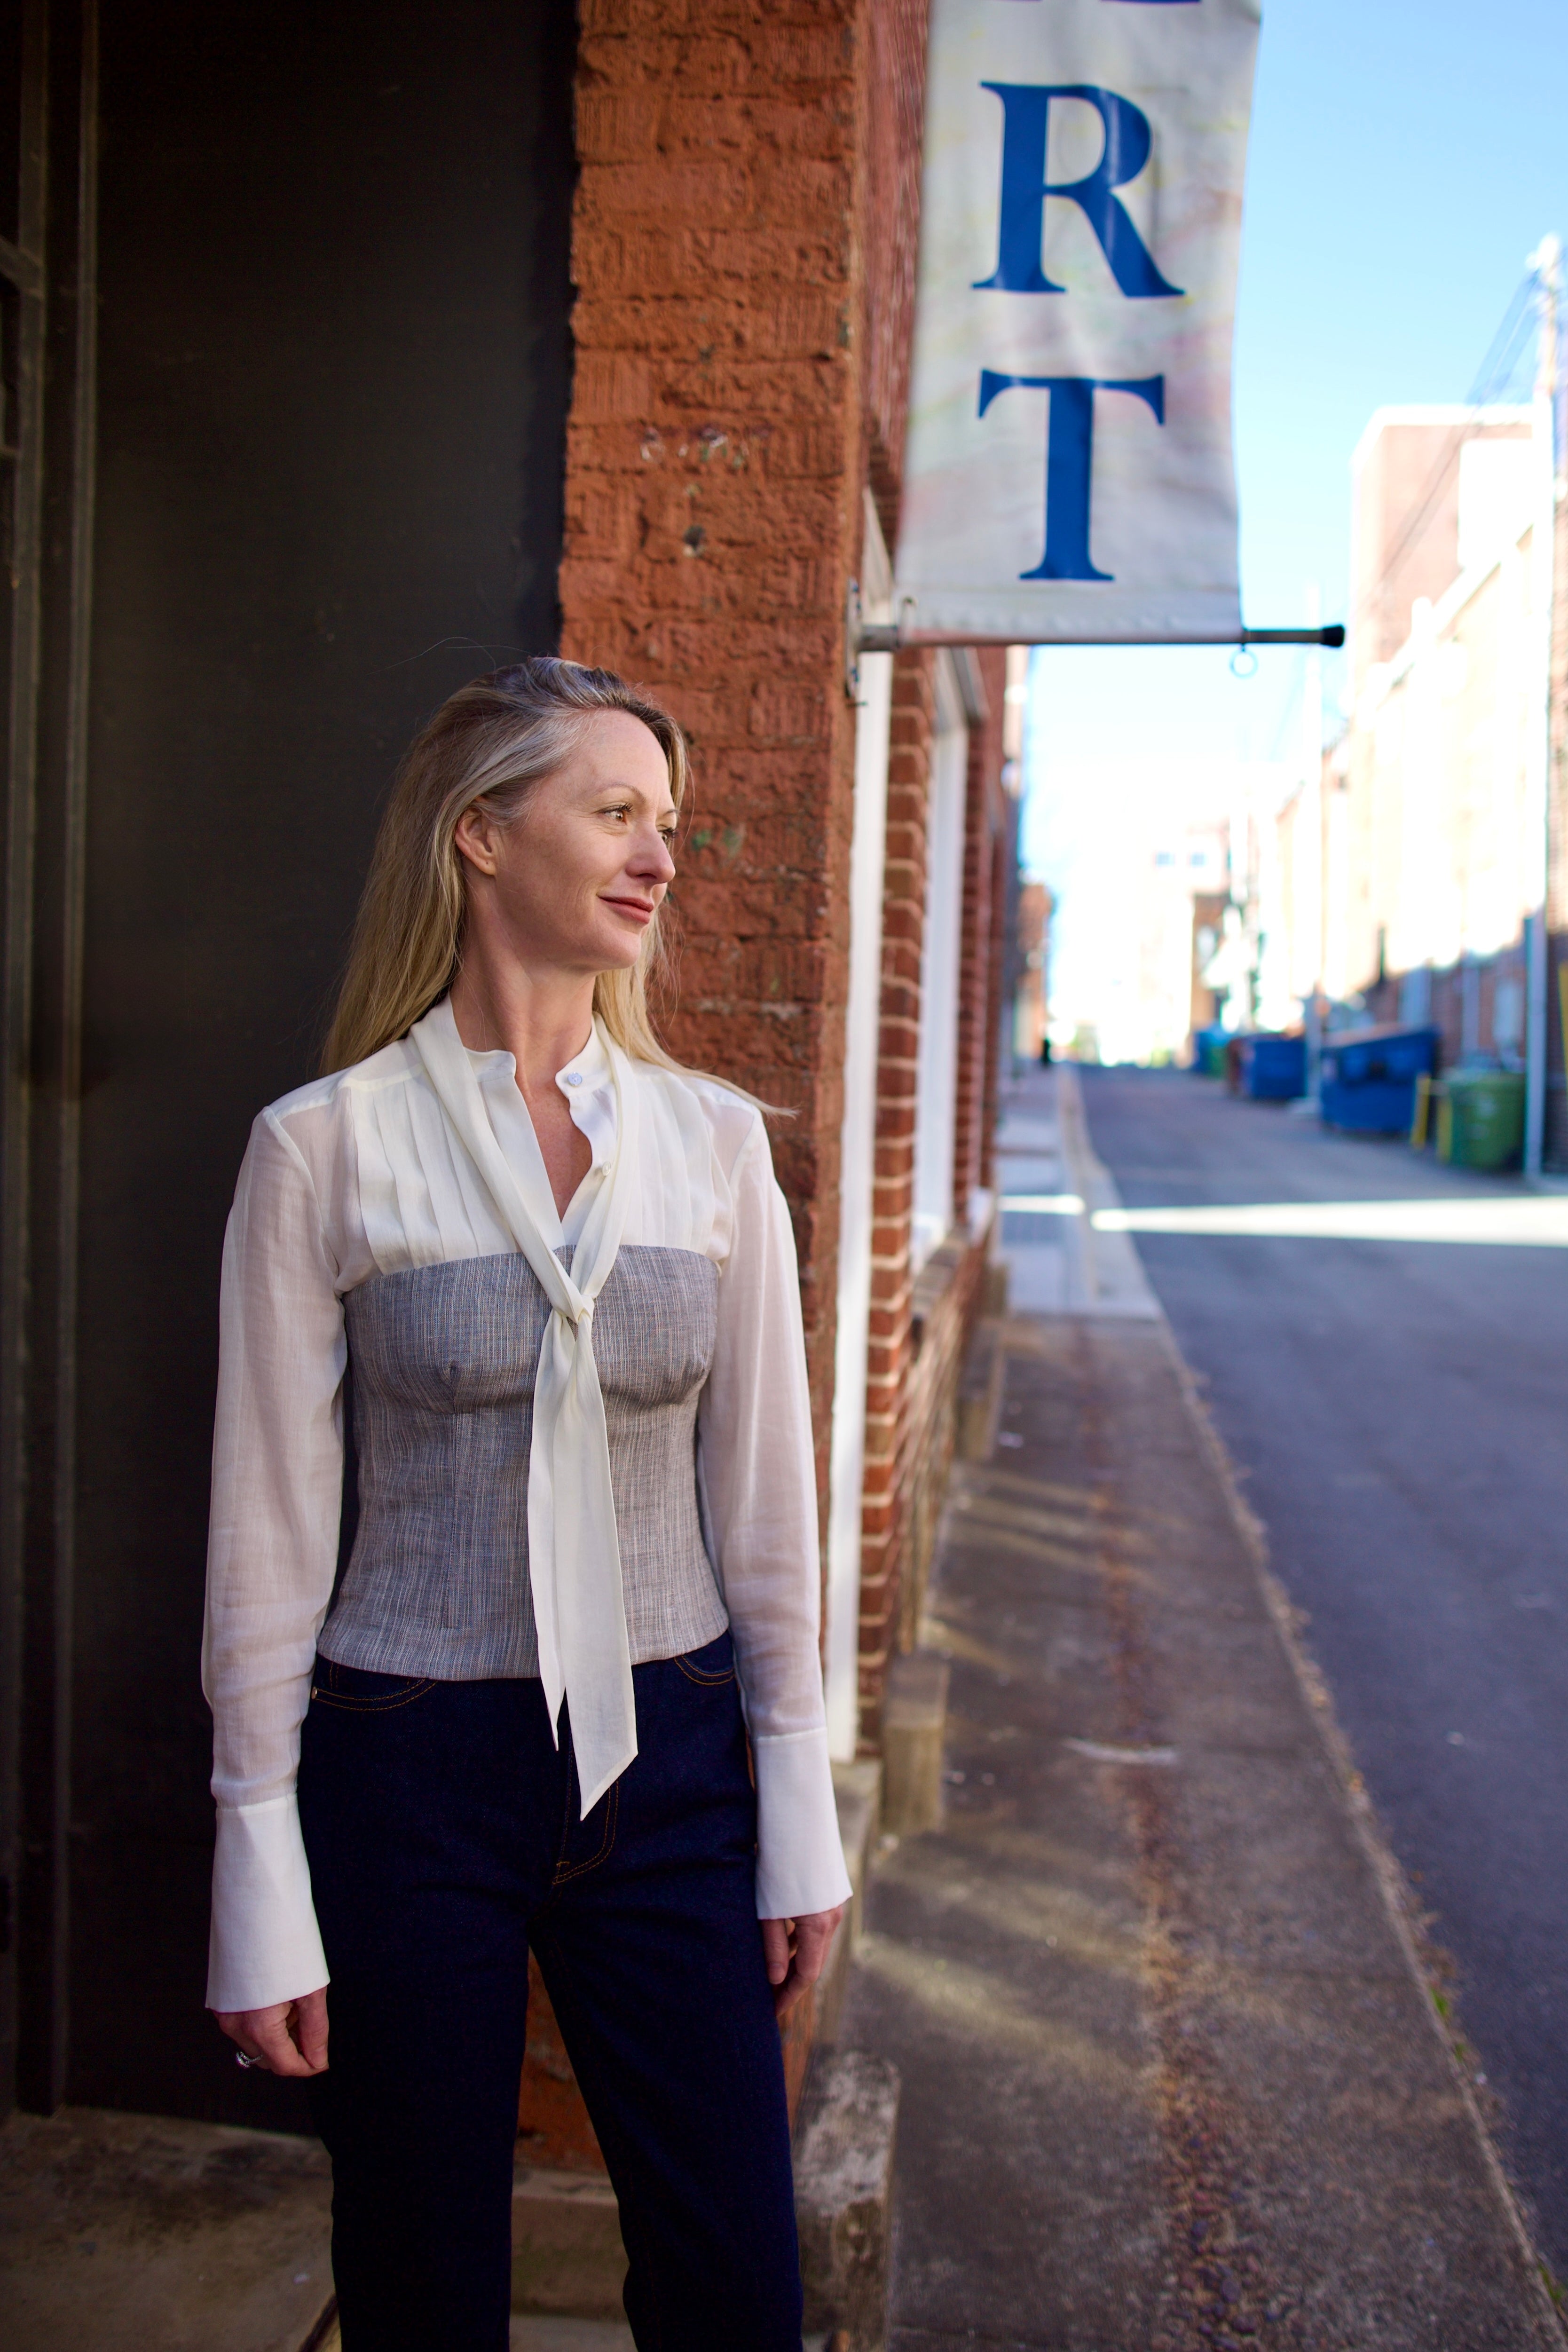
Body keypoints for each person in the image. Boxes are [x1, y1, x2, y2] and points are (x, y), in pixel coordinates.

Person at [202, 657, 850, 2352]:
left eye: (671, 827)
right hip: (411, 1757)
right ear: (484, 835)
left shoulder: (712, 1148)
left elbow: (769, 1507)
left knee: (735, 2280)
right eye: (616, 812)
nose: (659, 857)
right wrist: (254, 1856)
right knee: (421, 2279)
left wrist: (800, 1797)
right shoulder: (324, 1147)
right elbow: (266, 1531)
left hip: (677, 1751)